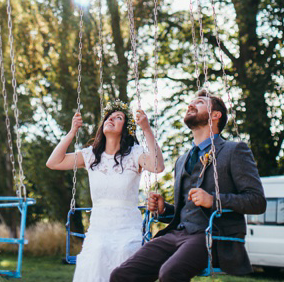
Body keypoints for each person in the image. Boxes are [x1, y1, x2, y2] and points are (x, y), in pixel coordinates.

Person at [110, 90, 266, 282]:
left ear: (216, 115)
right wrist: (164, 209)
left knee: (170, 274)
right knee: (121, 275)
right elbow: (186, 211)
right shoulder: (182, 160)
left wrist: (213, 200)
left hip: (212, 236)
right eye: (190, 102)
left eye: (199, 102)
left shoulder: (234, 151)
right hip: (177, 233)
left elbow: (257, 202)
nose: (191, 105)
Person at [46, 101, 165, 281]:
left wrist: (146, 129)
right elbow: (53, 162)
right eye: (109, 116)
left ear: (125, 129)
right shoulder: (90, 156)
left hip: (127, 229)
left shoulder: (134, 154)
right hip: (99, 229)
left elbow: (157, 167)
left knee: (125, 254)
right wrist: (72, 132)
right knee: (95, 255)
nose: (111, 118)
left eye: (119, 118)